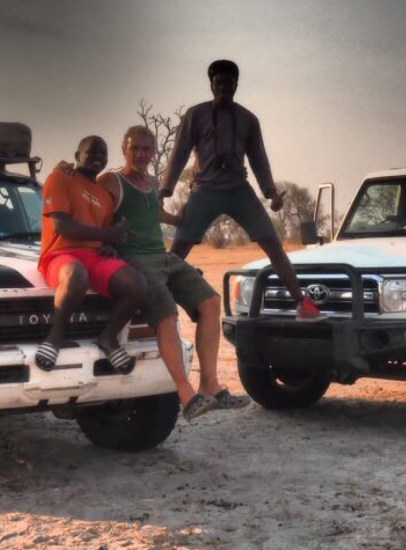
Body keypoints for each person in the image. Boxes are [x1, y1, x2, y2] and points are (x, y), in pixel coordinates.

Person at [96, 125, 250, 420]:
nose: (140, 154)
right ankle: (187, 395)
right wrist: (104, 243)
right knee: (167, 315)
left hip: (162, 255)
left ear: (153, 152)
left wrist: (178, 219)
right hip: (136, 259)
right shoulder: (111, 181)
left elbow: (152, 212)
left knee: (211, 302)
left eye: (146, 149)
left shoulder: (152, 182)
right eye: (135, 148)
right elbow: (92, 210)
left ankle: (210, 385)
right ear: (124, 150)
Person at [160, 59, 324, 321]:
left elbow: (258, 157)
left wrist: (270, 192)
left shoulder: (248, 119)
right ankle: (156, 303)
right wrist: (164, 191)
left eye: (229, 83)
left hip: (239, 190)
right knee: (178, 250)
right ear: (211, 84)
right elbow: (178, 154)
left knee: (273, 244)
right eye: (219, 83)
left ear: (237, 85)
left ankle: (302, 304)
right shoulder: (195, 115)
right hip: (204, 190)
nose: (224, 87)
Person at [37, 136, 145, 375]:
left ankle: (108, 338)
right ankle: (54, 337)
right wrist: (107, 235)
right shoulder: (60, 178)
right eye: (91, 153)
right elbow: (62, 226)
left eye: (102, 155)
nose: (97, 158)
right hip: (60, 254)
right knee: (77, 276)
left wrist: (110, 244)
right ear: (77, 156)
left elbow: (107, 234)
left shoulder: (104, 195)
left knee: (136, 283)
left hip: (94, 256)